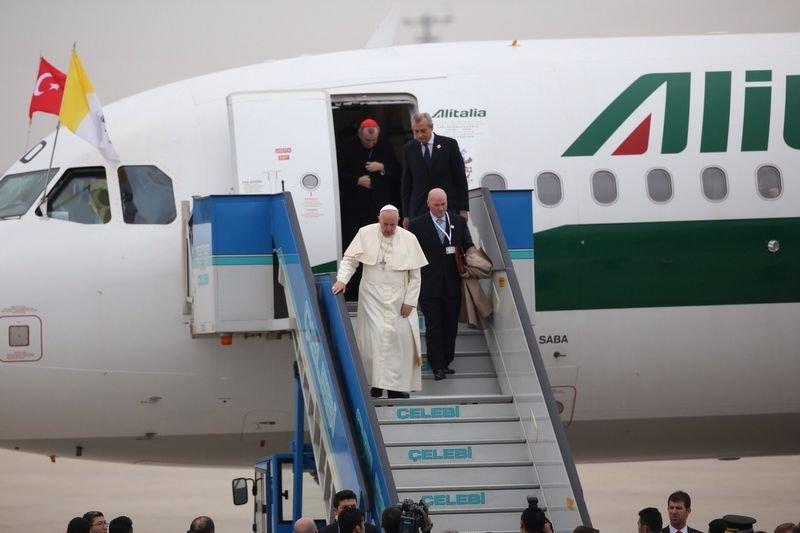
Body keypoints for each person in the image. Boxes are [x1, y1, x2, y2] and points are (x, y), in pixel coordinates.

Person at [333, 205, 428, 399]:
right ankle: (376, 384)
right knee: (373, 342)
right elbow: (350, 260)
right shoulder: (365, 233)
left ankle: (395, 388)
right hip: (372, 297)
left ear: (399, 221)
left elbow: (416, 276)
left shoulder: (409, 239)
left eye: (393, 225)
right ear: (378, 219)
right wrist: (342, 279)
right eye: (385, 224)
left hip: (400, 298)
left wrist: (410, 301)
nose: (389, 229)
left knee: (399, 343)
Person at [409, 188, 473, 380]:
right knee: (434, 326)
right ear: (428, 203)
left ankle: (446, 361)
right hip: (429, 285)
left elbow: (468, 244)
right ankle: (437, 366)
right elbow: (410, 254)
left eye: (443, 204)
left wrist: (475, 260)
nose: (440, 208)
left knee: (450, 325)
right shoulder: (416, 225)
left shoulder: (458, 222)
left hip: (452, 284)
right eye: (436, 205)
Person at [338, 118, 402, 300]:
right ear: (360, 134)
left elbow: (398, 172)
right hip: (354, 210)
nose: (371, 144)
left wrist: (382, 167)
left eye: (374, 141)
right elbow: (336, 173)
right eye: (367, 141)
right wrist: (356, 180)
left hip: (378, 209)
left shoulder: (385, 147)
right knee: (356, 251)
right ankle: (352, 293)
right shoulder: (346, 147)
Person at [401, 112, 468, 227]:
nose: (420, 135)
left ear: (431, 127)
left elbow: (460, 178)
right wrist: (406, 214)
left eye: (423, 130)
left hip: (447, 207)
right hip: (419, 209)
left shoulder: (449, 145)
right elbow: (406, 183)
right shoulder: (409, 149)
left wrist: (463, 209)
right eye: (416, 131)